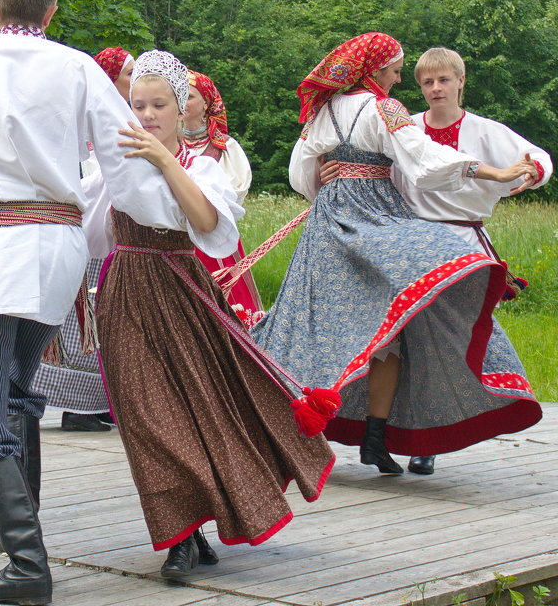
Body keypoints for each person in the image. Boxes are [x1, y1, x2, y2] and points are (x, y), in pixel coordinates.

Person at [0, 0, 173, 604]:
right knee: (17, 398)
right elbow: (120, 163)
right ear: (51, 12)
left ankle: (28, 566)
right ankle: (18, 548)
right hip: (58, 247)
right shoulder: (80, 67)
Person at [250, 32, 541, 476]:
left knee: (322, 327)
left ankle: (337, 436)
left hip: (328, 225)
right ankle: (369, 435)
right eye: (395, 70)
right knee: (395, 324)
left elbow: (298, 173)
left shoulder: (324, 110)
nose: (400, 78)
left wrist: (323, 180)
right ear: (375, 70)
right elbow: (423, 159)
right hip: (375, 219)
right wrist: (494, 171)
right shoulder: (383, 107)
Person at [91, 50, 334, 579]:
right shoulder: (111, 160)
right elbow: (86, 227)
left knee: (201, 409)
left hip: (182, 291)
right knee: (147, 419)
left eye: (159, 105)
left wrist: (162, 160)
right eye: (137, 105)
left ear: (183, 112)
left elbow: (204, 221)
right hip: (126, 293)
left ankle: (193, 528)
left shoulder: (201, 164)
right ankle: (179, 536)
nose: (147, 115)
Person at [392, 47, 549, 475]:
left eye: (444, 80)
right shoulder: (406, 130)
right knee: (410, 343)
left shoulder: (485, 131)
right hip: (414, 244)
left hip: (463, 241)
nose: (436, 88)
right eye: (427, 82)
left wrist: (531, 172)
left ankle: (441, 430)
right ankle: (405, 436)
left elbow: (537, 157)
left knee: (454, 342)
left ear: (461, 82)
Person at [29, 46, 133, 434]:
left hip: (97, 231)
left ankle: (88, 403)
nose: (133, 80)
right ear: (109, 78)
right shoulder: (90, 119)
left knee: (89, 321)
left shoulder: (119, 118)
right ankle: (67, 403)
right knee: (74, 322)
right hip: (79, 230)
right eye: (127, 74)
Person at [182, 69, 263, 324]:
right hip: (178, 235)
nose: (183, 101)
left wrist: (200, 205)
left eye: (190, 96)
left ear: (206, 103)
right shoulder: (167, 143)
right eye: (178, 95)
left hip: (215, 235)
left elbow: (236, 191)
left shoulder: (225, 147)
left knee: (227, 305)